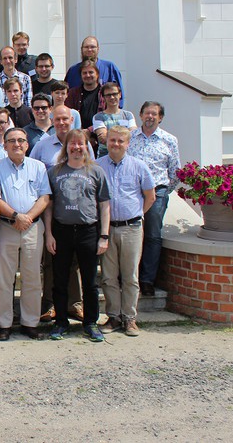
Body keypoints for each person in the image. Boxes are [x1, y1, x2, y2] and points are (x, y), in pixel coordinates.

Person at [44, 129, 111, 342]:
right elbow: (49, 206)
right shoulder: (55, 172)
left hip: (88, 231)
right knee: (60, 279)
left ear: (86, 146)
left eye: (80, 144)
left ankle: (90, 323)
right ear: (66, 147)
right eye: (72, 144)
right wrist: (49, 234)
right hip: (61, 231)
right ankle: (61, 322)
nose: (76, 147)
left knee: (90, 282)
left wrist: (104, 235)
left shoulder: (96, 171)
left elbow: (105, 205)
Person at [0, 127, 51, 341]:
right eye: (12, 141)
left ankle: (30, 322)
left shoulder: (38, 167)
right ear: (4, 145)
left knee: (32, 277)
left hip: (33, 228)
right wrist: (16, 215)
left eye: (21, 141)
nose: (17, 144)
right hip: (6, 227)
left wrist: (28, 218)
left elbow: (44, 197)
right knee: (5, 278)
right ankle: (4, 323)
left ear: (27, 145)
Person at [96, 126, 156, 336]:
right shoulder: (98, 166)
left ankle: (130, 318)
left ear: (128, 143)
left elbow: (150, 196)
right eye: (112, 140)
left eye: (121, 141)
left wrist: (137, 214)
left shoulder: (139, 166)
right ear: (107, 142)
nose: (116, 144)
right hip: (107, 229)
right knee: (109, 276)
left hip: (131, 228)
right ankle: (113, 317)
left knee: (130, 275)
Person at [127, 101, 181, 295]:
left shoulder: (169, 140)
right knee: (130, 235)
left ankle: (147, 279)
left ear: (160, 118)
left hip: (157, 193)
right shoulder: (129, 138)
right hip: (132, 193)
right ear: (140, 115)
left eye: (154, 114)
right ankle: (128, 277)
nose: (150, 117)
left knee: (152, 235)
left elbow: (175, 171)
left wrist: (165, 192)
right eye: (146, 113)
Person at [92, 83, 136, 157]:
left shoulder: (128, 115)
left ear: (120, 95)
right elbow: (103, 138)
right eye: (108, 95)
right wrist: (123, 138)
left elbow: (133, 135)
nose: (112, 97)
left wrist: (110, 136)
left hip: (126, 157)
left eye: (114, 94)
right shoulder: (98, 117)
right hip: (105, 157)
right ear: (104, 98)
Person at [65, 59, 104, 130]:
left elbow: (108, 116)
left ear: (97, 74)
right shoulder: (73, 93)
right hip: (78, 134)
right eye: (84, 73)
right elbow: (68, 114)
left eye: (91, 72)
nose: (88, 75)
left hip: (101, 133)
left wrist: (90, 130)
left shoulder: (104, 93)